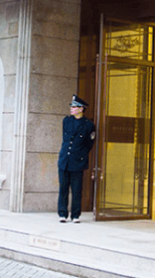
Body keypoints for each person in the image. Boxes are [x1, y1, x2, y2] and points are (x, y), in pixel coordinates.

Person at [57, 94, 95, 223]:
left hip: (77, 161)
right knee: (63, 188)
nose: (71, 109)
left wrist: (81, 157)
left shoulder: (88, 125)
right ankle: (62, 213)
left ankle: (75, 215)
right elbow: (65, 139)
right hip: (65, 160)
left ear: (81, 109)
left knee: (76, 189)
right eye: (71, 107)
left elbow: (89, 144)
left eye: (74, 107)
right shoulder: (66, 121)